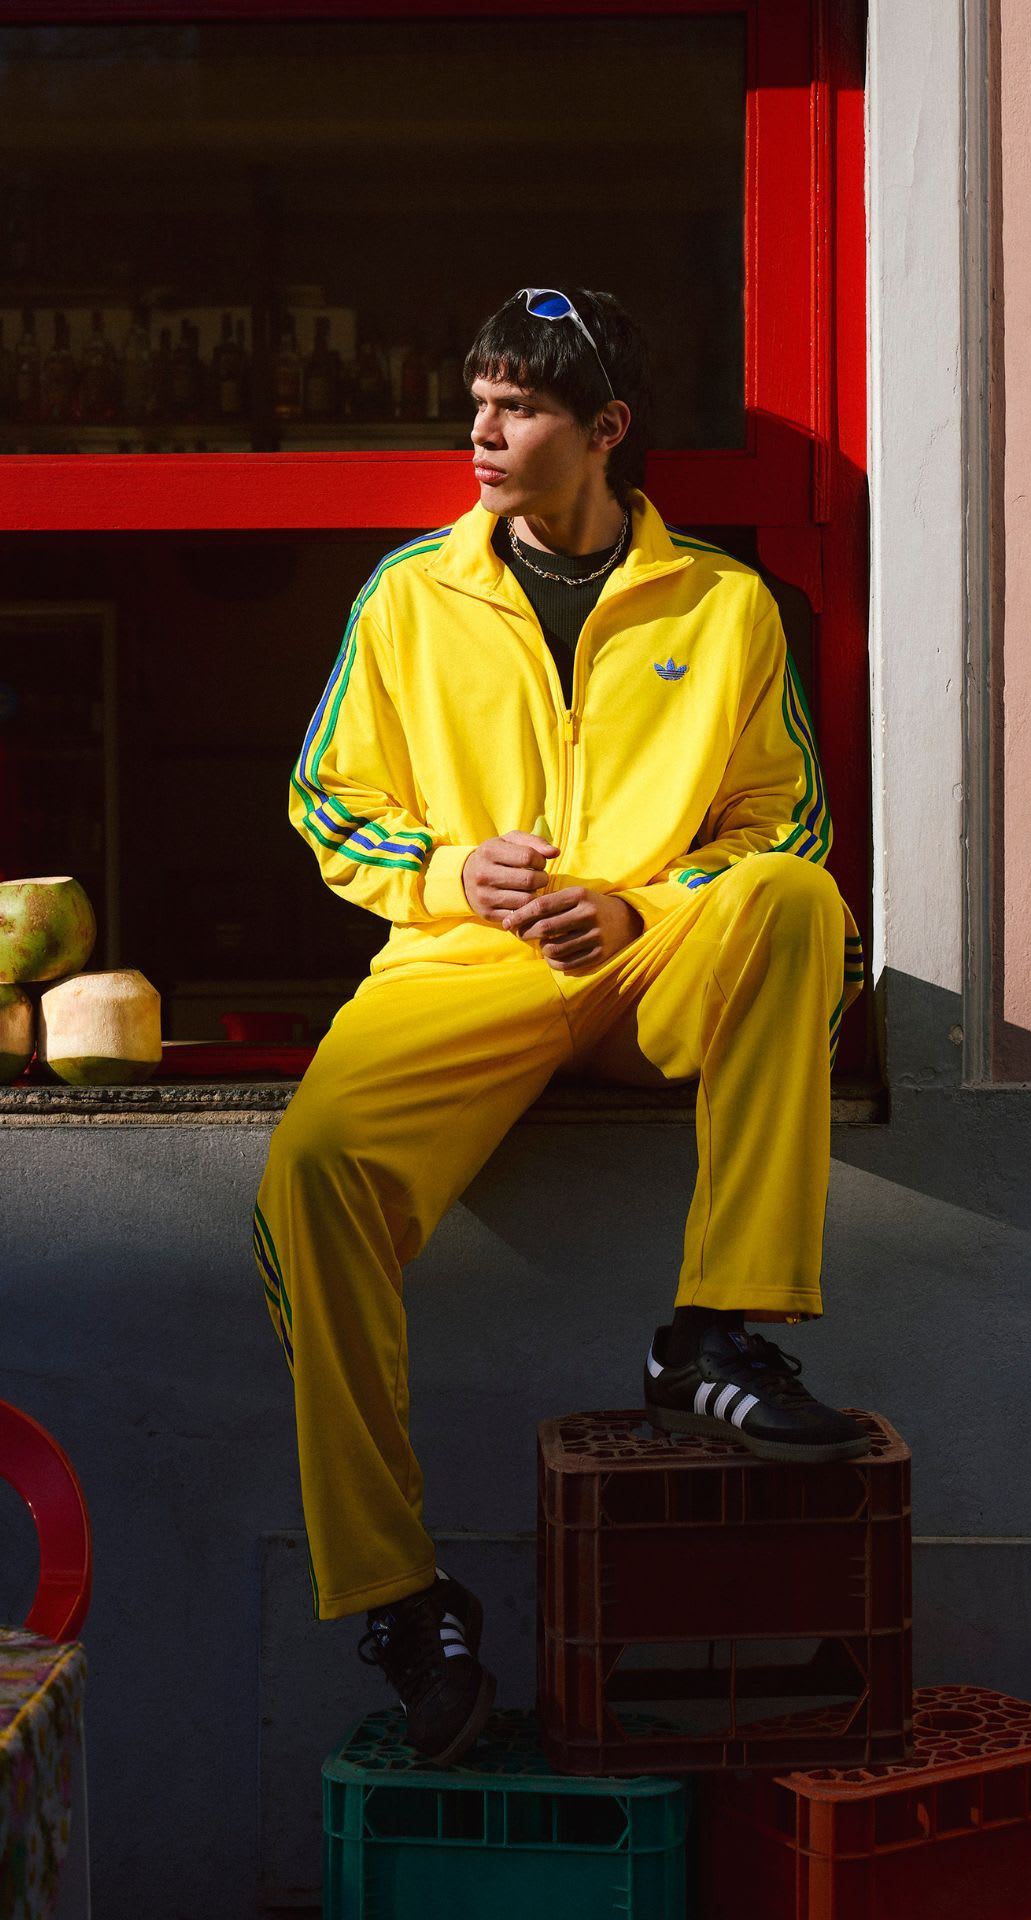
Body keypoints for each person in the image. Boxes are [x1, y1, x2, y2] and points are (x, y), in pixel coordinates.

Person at [252, 285, 866, 1767]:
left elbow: (788, 818)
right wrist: (449, 870)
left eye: (516, 407)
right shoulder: (408, 597)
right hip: (470, 969)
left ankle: (720, 1329)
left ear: (604, 431)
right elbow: (327, 799)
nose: (481, 429)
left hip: (653, 965)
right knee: (312, 1176)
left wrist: (651, 910)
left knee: (794, 902)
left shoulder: (725, 607)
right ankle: (402, 1595)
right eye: (476, 401)